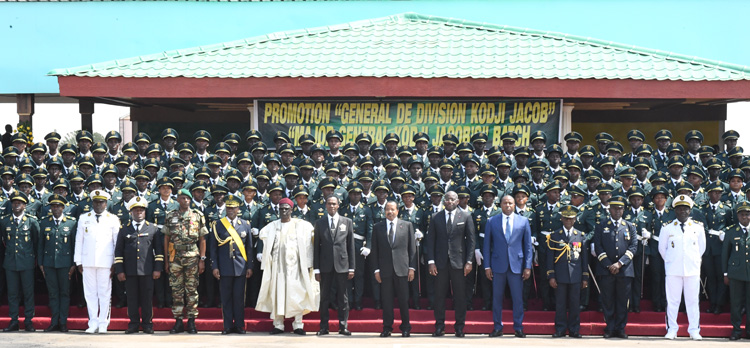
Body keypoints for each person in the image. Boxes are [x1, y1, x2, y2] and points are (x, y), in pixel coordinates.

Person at [256, 197, 318, 335]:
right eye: (281, 209)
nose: (284, 211)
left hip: (296, 268)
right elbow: (262, 236)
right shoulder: (272, 226)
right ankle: (278, 324)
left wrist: (308, 263)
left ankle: (298, 325)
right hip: (278, 268)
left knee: (297, 294)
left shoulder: (301, 225)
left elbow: (309, 245)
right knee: (277, 294)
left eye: (286, 209)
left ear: (292, 209)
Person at [424, 190, 475, 337]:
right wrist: (431, 262)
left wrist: (469, 261)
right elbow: (431, 241)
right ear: (443, 201)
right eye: (447, 199)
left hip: (459, 263)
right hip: (440, 263)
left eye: (453, 199)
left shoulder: (466, 216)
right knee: (439, 296)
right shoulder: (435, 217)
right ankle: (439, 326)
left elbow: (471, 241)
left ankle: (459, 327)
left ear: (458, 201)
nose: (450, 202)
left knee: (460, 296)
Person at [483, 195, 533, 338]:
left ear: (514, 204)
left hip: (517, 265)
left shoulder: (523, 221)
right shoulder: (492, 221)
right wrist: (487, 266)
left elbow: (528, 246)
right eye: (505, 203)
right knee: (497, 298)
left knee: (518, 299)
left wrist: (527, 266)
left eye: (510, 203)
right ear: (500, 205)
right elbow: (486, 245)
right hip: (498, 265)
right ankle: (497, 327)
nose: (508, 205)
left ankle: (518, 327)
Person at [659, 194, 705, 340]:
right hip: (673, 270)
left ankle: (694, 330)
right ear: (675, 210)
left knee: (692, 301)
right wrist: (672, 261)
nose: (682, 211)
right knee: (672, 301)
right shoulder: (667, 228)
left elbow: (701, 248)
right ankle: (672, 329)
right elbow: (662, 249)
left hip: (692, 269)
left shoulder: (698, 227)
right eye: (679, 209)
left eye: (685, 209)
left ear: (690, 210)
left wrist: (692, 260)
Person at [114, 196, 163, 334]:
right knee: (132, 298)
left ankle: (147, 324)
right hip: (129, 272)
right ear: (131, 212)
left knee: (147, 299)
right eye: (136, 210)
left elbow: (158, 251)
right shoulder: (124, 229)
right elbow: (118, 251)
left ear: (145, 212)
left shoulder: (153, 228)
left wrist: (157, 269)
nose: (139, 213)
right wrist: (120, 270)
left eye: (141, 210)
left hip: (147, 271)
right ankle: (134, 324)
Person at [162, 188, 208, 334]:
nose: (186, 201)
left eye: (188, 198)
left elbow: (202, 239)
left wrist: (202, 259)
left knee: (191, 290)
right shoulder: (170, 216)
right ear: (178, 200)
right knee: (176, 290)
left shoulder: (197, 216)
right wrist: (167, 260)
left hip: (192, 257)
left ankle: (192, 322)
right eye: (182, 198)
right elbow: (166, 238)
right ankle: (178, 321)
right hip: (175, 257)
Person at [74, 190, 119, 334]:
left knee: (105, 293)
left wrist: (115, 262)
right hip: (87, 261)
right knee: (90, 293)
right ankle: (92, 322)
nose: (99, 205)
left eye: (101, 202)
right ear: (92, 203)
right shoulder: (83, 218)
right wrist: (78, 261)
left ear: (106, 203)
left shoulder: (112, 219)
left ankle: (103, 322)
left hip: (106, 262)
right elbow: (79, 240)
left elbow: (116, 242)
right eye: (96, 202)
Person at [593, 196, 638, 339]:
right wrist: (608, 264)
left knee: (622, 301)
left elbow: (633, 246)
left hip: (624, 270)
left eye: (620, 208)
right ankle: (610, 328)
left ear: (623, 210)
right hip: (606, 270)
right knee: (608, 300)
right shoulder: (601, 225)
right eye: (614, 208)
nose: (617, 211)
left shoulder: (630, 226)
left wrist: (620, 263)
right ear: (610, 209)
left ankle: (620, 328)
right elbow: (598, 247)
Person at [209, 194, 253, 335]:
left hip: (240, 268)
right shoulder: (217, 225)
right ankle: (227, 325)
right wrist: (214, 266)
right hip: (224, 268)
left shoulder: (245, 225)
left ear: (238, 209)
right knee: (226, 299)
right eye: (228, 208)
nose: (230, 210)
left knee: (239, 299)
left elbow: (249, 248)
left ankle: (239, 325)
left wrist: (250, 267)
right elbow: (213, 249)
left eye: (233, 208)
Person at [371, 200, 416, 337]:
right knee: (387, 300)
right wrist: (376, 270)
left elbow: (412, 249)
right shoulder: (378, 227)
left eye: (392, 209)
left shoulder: (407, 225)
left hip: (402, 269)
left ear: (397, 211)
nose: (390, 212)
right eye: (387, 209)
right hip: (385, 270)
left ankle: (406, 327)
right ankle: (387, 327)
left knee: (403, 299)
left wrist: (412, 268)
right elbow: (375, 251)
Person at [313, 195, 355, 335]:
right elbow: (316, 248)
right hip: (325, 266)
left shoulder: (347, 222)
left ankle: (343, 326)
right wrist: (316, 269)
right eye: (329, 204)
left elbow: (351, 247)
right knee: (324, 297)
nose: (331, 206)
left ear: (338, 206)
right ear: (326, 206)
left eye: (334, 204)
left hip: (342, 265)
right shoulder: (320, 223)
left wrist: (351, 267)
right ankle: (324, 327)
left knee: (343, 297)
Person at [547, 205, 588, 338]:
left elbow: (584, 260)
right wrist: (551, 276)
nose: (568, 221)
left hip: (575, 275)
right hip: (560, 275)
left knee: (575, 304)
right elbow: (550, 258)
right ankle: (560, 329)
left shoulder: (580, 236)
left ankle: (574, 329)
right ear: (561, 219)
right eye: (566, 218)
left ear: (575, 219)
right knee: (560, 304)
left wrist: (585, 277)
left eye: (571, 219)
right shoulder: (554, 236)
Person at [38, 194, 77, 332]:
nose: (55, 209)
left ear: (63, 207)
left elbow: (74, 246)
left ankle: (63, 322)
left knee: (64, 293)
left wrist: (73, 264)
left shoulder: (71, 222)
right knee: (53, 294)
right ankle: (54, 322)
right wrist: (41, 263)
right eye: (53, 206)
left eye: (58, 206)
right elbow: (40, 245)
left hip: (65, 264)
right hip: (49, 263)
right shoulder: (44, 222)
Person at [2, 192, 40, 332]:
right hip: (11, 262)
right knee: (13, 293)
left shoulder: (31, 221)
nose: (16, 205)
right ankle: (14, 321)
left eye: (19, 203)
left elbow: (36, 242)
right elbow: (4, 239)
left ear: (25, 205)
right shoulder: (4, 221)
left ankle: (28, 321)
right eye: (14, 202)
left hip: (27, 262)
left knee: (28, 292)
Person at [722, 201, 750, 340]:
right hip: (735, 273)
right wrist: (725, 273)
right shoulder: (731, 231)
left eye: (747, 214)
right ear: (737, 216)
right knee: (736, 303)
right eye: (742, 215)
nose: (745, 217)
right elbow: (725, 254)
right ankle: (737, 330)